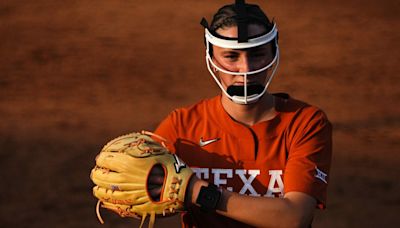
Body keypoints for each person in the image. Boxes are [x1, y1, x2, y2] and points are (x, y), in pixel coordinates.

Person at [151, 0, 332, 227]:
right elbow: (142, 194)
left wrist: (195, 191)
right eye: (231, 56)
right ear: (212, 59)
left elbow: (294, 217)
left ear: (273, 53)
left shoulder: (306, 123)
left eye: (256, 55)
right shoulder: (181, 127)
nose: (245, 70)